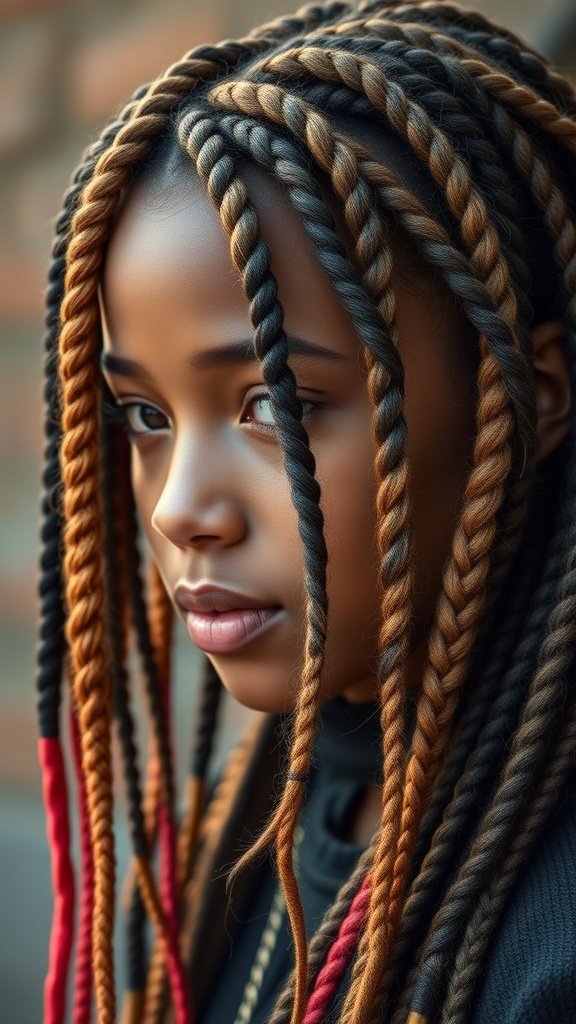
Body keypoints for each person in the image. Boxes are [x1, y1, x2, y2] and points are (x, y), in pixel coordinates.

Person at [37, 1, 576, 1022]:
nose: (184, 510)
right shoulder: (255, 822)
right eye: (144, 414)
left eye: (275, 405)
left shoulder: (549, 951)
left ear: (526, 394)